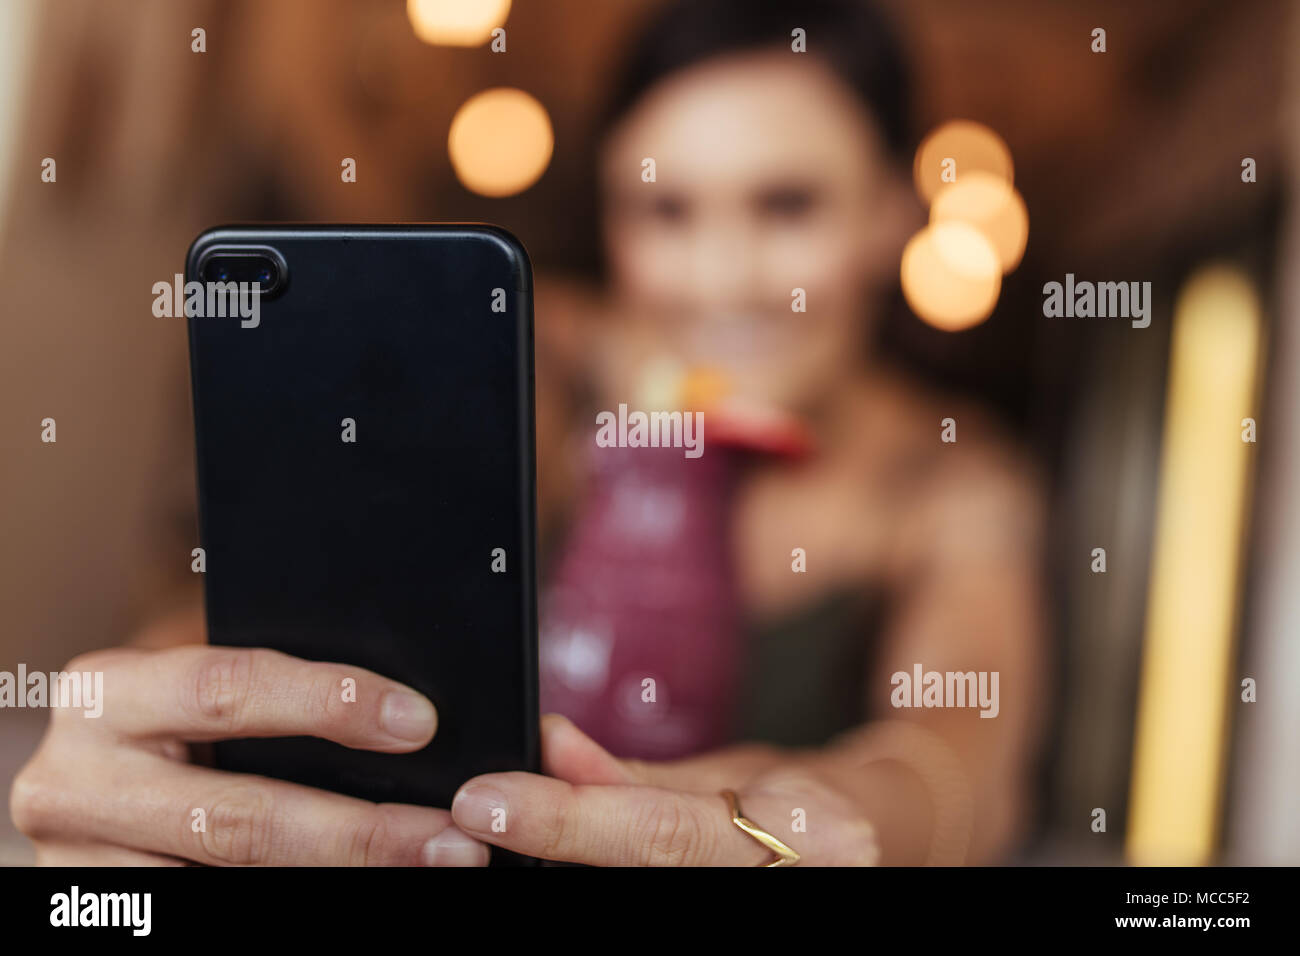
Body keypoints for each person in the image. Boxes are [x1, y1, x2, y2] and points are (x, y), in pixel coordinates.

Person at [10, 0, 1047, 866]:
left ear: (891, 214)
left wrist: (820, 818)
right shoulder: (528, 357)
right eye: (665, 211)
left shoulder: (946, 474)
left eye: (785, 205)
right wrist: (171, 713)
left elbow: (958, 761)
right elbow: (305, 582)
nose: (719, 275)